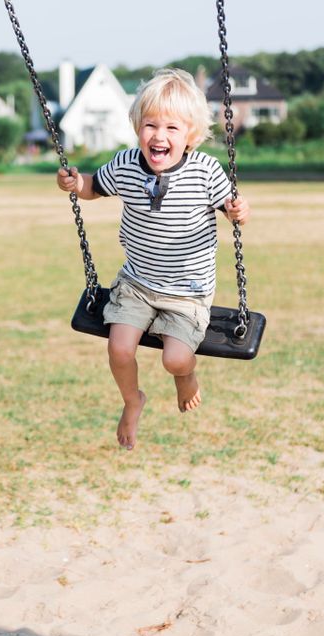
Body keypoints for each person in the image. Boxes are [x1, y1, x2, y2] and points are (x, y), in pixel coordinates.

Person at [56, 68, 250, 451]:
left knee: (175, 360)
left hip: (187, 292)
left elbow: (232, 208)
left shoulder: (205, 171)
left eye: (172, 129)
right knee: (119, 349)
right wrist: (74, 183)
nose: (159, 136)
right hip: (138, 284)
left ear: (190, 135)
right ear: (137, 128)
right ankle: (132, 401)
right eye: (150, 126)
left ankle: (186, 377)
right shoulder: (127, 164)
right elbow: (94, 186)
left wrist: (238, 210)